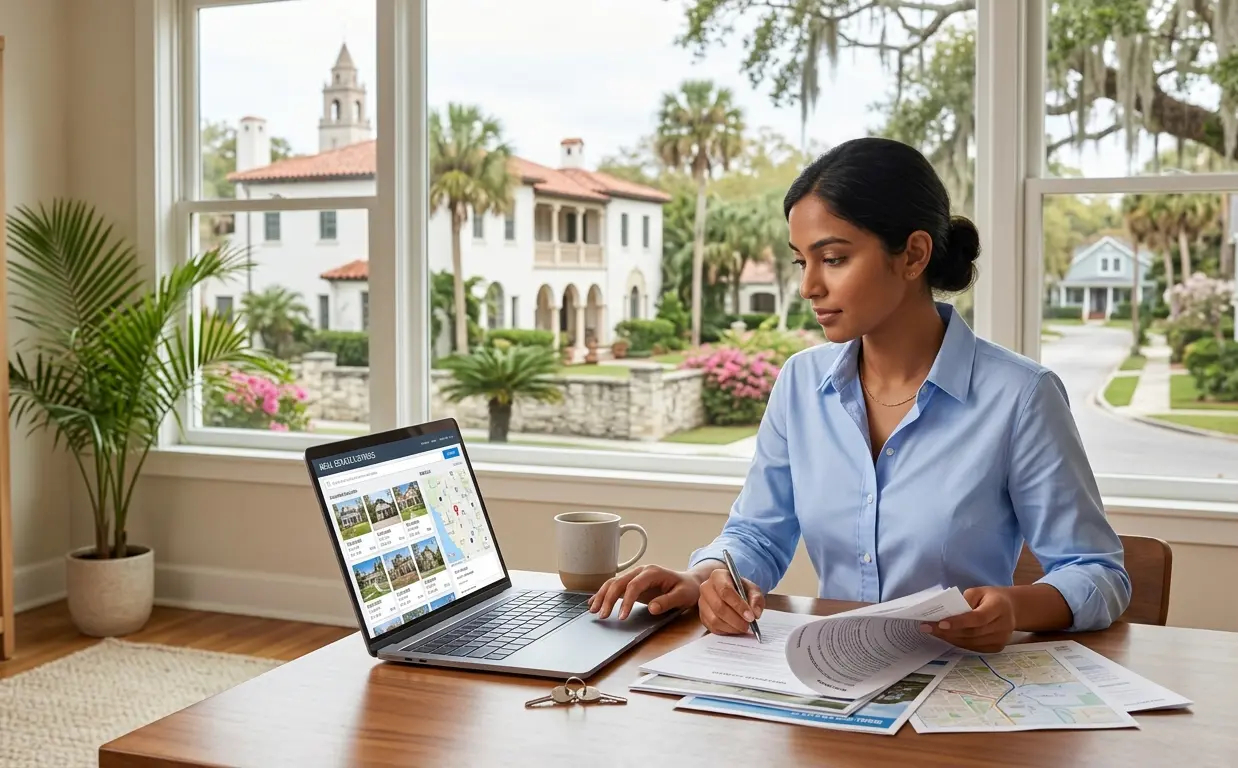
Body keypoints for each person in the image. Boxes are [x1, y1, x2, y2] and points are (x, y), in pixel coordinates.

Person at [588, 136, 1131, 653]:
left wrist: (1015, 607)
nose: (808, 287)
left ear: (914, 254)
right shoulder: (801, 384)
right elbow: (757, 533)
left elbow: (1097, 571)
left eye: (834, 258)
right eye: (803, 261)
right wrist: (705, 577)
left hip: (957, 693)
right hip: (830, 685)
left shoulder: (1021, 397)